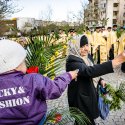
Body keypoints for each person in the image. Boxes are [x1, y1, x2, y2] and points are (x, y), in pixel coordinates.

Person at [0, 39, 78, 125]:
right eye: (23, 61)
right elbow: (55, 89)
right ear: (15, 65)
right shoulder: (33, 79)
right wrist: (68, 76)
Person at [66, 35, 125, 125]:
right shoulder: (72, 62)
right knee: (84, 121)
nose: (86, 49)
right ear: (75, 47)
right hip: (80, 100)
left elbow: (92, 68)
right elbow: (88, 71)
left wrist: (100, 80)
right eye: (82, 46)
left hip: (88, 95)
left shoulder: (87, 56)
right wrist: (115, 62)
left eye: (87, 45)